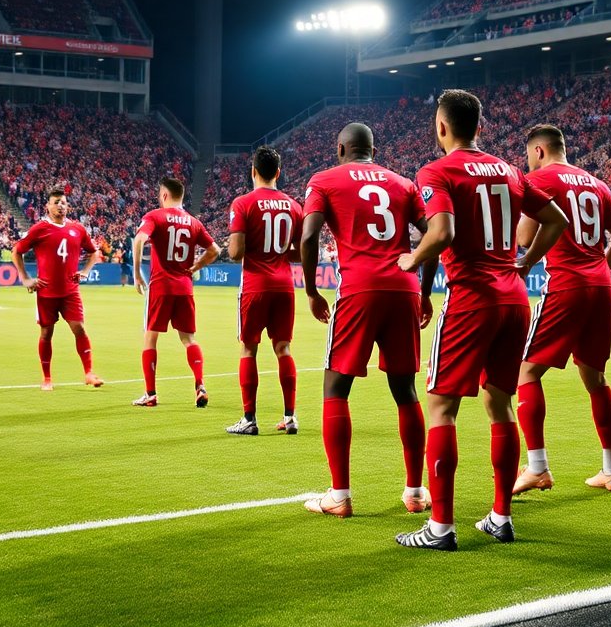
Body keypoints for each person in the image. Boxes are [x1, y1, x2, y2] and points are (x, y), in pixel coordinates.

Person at [395, 89, 568, 551]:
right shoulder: (510, 171)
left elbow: (442, 232)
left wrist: (413, 259)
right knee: (500, 404)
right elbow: (556, 220)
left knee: (441, 408)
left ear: (441, 127)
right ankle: (500, 517)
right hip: (514, 299)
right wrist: (526, 261)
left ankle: (440, 528)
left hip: (471, 298)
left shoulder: (436, 171)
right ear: (480, 127)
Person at [300, 123, 434, 518]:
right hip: (404, 289)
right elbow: (433, 235)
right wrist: (425, 292)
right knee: (405, 390)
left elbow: (308, 237)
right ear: (373, 150)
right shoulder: (403, 183)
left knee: (336, 388)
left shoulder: (324, 180)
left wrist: (311, 290)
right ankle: (415, 492)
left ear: (341, 149)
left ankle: (339, 495)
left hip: (359, 289)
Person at [512, 124, 611, 497]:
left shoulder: (541, 180)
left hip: (566, 285)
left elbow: (523, 237)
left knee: (526, 372)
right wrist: (596, 269)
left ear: (538, 151)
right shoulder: (596, 184)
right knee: (595, 378)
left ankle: (537, 467)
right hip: (600, 287)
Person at [225, 146, 303, 436]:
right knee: (283, 348)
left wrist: (251, 247)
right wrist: (279, 253)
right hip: (284, 286)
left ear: (253, 171)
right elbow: (300, 252)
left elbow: (235, 253)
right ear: (278, 173)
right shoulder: (294, 206)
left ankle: (249, 419)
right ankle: (290, 416)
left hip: (255, 285)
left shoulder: (243, 203)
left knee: (249, 348)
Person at [131, 178, 220, 408]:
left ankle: (150, 394)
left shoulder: (155, 216)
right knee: (188, 339)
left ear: (164, 195)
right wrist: (196, 266)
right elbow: (214, 250)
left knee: (150, 337)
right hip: (184, 288)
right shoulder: (193, 222)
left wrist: (137, 273)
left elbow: (139, 239)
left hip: (161, 286)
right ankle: (200, 385)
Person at [11, 186, 104, 391]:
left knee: (79, 328)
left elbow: (94, 252)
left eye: (63, 202)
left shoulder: (77, 229)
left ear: (67, 206)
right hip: (46, 292)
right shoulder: (40, 229)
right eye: (56, 202)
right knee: (46, 333)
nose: (60, 205)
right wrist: (25, 278)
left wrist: (85, 271)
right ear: (48, 206)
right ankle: (47, 378)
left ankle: (89, 373)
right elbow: (16, 251)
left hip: (70, 292)